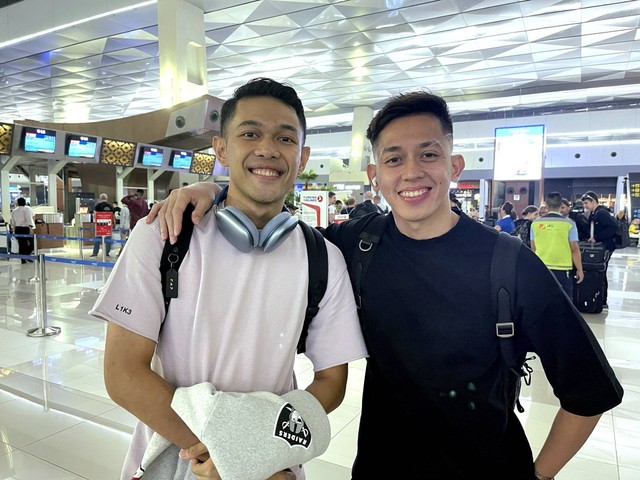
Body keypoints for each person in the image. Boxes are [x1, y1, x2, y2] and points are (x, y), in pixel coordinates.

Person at [149, 90, 623, 480]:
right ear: (375, 176)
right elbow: (273, 229)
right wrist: (208, 190)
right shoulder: (357, 244)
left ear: (454, 167)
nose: (412, 172)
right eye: (394, 158)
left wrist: (537, 477)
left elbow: (589, 395)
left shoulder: (510, 264)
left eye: (429, 154)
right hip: (380, 470)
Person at [90, 78, 367, 480]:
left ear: (303, 156)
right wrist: (230, 457)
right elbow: (124, 374)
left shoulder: (322, 257)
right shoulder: (163, 235)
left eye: (285, 139)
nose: (268, 149)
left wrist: (255, 455)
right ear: (221, 148)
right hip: (175, 460)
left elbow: (330, 381)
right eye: (250, 133)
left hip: (270, 465)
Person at [530, 192, 583, 299]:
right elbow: (574, 249)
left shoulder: (535, 223)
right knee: (564, 302)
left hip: (542, 268)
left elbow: (533, 248)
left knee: (543, 301)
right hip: (563, 269)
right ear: (561, 205)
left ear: (546, 205)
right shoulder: (569, 223)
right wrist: (580, 269)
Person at [581, 191, 618, 308]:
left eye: (586, 203)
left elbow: (613, 226)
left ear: (593, 201)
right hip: (602, 247)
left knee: (601, 270)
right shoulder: (595, 213)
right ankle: (600, 298)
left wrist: (597, 238)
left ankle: (602, 299)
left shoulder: (601, 213)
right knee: (600, 270)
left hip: (605, 247)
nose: (585, 206)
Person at [10, 197, 35, 264]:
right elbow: (28, 219)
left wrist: (13, 229)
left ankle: (23, 259)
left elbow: (12, 221)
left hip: (17, 229)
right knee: (32, 242)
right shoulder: (26, 209)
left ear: (17, 203)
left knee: (21, 244)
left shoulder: (14, 211)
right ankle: (26, 255)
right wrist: (31, 228)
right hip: (25, 228)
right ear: (25, 203)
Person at [90, 193, 115, 258]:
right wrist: (113, 224)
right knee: (108, 239)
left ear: (100, 198)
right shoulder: (110, 206)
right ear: (106, 198)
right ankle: (107, 253)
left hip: (99, 225)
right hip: (108, 225)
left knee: (97, 239)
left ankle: (95, 253)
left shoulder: (97, 206)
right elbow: (113, 216)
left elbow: (95, 215)